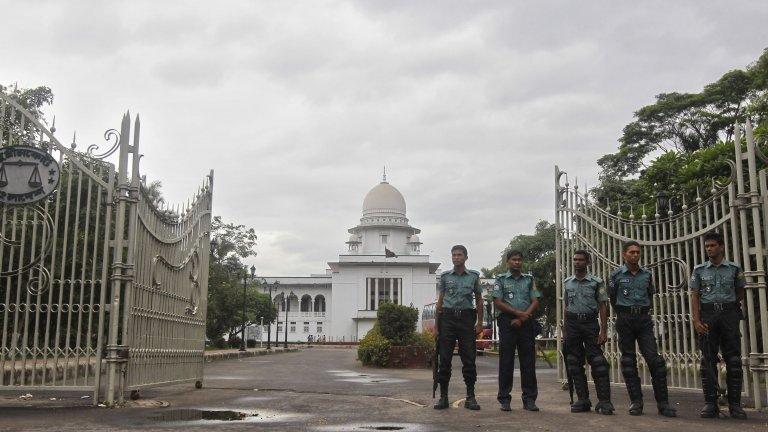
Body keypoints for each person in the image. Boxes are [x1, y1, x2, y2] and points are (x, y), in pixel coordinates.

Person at [608, 241, 676, 417]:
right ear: (624, 255)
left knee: (655, 361)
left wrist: (641, 311)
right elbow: (613, 299)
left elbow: (650, 295)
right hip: (625, 319)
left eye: (637, 252)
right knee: (629, 362)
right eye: (631, 252)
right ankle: (636, 402)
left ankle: (663, 404)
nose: (635, 255)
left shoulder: (647, 275)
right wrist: (625, 312)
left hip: (644, 319)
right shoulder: (615, 275)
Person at [690, 231, 747, 419]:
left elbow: (740, 292)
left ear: (721, 247)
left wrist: (728, 306)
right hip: (708, 315)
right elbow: (695, 296)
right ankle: (710, 403)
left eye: (713, 246)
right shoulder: (699, 270)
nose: (709, 249)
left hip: (728, 314)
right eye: (707, 246)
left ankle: (735, 405)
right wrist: (696, 320)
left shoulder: (734, 269)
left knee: (734, 360)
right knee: (708, 359)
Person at [562, 249, 614, 415]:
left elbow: (603, 306)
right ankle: (583, 400)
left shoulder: (596, 282)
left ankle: (605, 402)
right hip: (572, 324)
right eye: (575, 259)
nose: (577, 262)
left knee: (598, 362)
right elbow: (566, 305)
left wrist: (604, 330)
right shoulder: (567, 282)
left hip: (590, 324)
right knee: (574, 363)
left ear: (587, 262)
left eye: (580, 260)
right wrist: (565, 329)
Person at [434, 245, 484, 411]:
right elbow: (439, 302)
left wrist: (479, 323)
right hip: (447, 318)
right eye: (454, 255)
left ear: (466, 257)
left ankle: (471, 397)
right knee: (445, 359)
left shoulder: (474, 277)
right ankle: (443, 397)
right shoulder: (445, 277)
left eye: (459, 255)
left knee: (469, 360)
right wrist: (436, 326)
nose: (456, 258)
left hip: (466, 318)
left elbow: (479, 300)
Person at [493, 250, 541, 412]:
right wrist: (516, 314)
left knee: (528, 362)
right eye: (514, 260)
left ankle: (529, 400)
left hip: (525, 322)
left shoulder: (529, 279)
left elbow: (535, 300)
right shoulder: (500, 279)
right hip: (507, 322)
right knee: (506, 362)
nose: (517, 262)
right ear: (508, 262)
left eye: (519, 260)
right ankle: (504, 399)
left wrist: (522, 317)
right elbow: (498, 302)